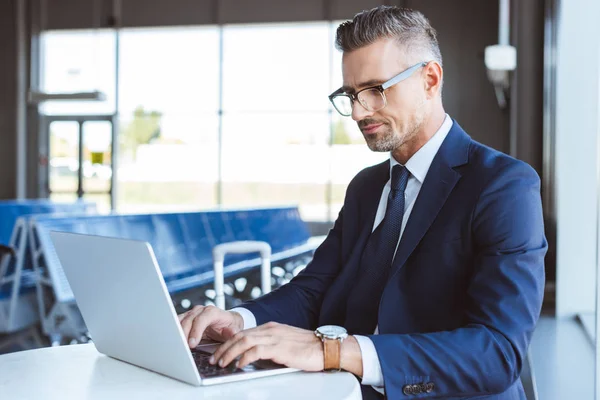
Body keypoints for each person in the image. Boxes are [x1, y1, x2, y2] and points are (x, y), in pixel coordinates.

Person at [178, 6, 546, 399]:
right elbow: (314, 288)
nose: (357, 111)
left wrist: (336, 352)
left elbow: (498, 352)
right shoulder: (367, 187)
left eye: (375, 90)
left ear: (430, 79)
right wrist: (238, 318)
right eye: (350, 94)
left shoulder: (502, 185)